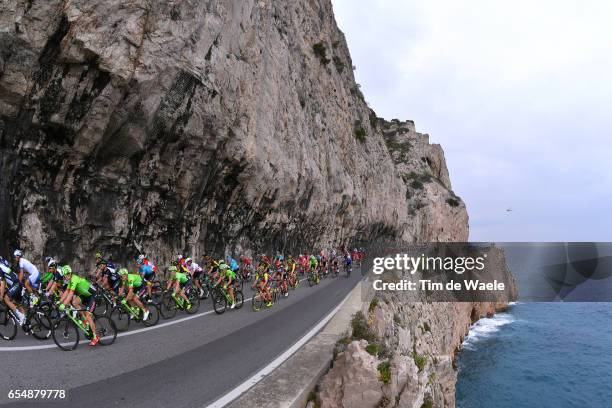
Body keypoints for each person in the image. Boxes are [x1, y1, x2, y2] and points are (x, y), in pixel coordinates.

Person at [57, 265, 99, 346]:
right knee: (75, 302)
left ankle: (95, 336)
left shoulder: (74, 279)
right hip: (85, 295)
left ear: (68, 274)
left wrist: (63, 304)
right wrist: (59, 302)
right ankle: (85, 321)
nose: (64, 278)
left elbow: (70, 294)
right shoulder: (70, 280)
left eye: (64, 276)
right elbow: (66, 292)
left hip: (92, 295)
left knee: (88, 315)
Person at [0, 256, 26, 325]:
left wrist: (1, 296)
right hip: (17, 282)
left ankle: (20, 316)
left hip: (15, 284)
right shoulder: (3, 262)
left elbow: (2, 283)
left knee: (6, 298)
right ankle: (26, 322)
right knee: (18, 303)